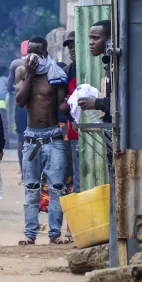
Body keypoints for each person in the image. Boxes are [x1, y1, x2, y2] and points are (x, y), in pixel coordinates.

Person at [15, 36, 70, 245]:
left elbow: (61, 106)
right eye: (30, 51)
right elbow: (20, 101)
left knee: (57, 187)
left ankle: (54, 234)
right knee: (31, 188)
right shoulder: (22, 71)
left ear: (45, 53)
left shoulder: (55, 73)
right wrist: (29, 73)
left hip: (53, 137)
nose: (33, 56)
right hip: (32, 139)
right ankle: (30, 235)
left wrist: (77, 101)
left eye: (37, 52)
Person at [78, 20, 111, 123]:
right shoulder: (110, 65)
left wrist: (97, 103)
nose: (91, 42)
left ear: (109, 40)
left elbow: (124, 103)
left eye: (96, 38)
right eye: (90, 38)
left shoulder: (118, 66)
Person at [61, 31, 80, 193]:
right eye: (70, 47)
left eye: (75, 46)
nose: (72, 50)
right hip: (74, 131)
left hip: (96, 131)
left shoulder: (92, 69)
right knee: (77, 177)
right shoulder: (67, 72)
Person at [8, 41, 29, 173]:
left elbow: (9, 87)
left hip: (21, 107)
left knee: (21, 140)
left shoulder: (16, 64)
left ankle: (23, 173)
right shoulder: (43, 63)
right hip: (39, 106)